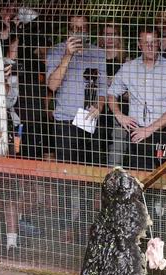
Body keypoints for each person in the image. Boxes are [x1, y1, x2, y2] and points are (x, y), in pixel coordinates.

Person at [107, 26, 166, 171]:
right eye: (146, 43)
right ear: (139, 45)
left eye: (153, 42)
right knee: (138, 181)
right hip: (137, 134)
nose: (150, 47)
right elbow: (112, 93)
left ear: (159, 43)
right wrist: (119, 115)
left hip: (163, 133)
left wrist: (149, 130)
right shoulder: (129, 68)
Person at [46, 14, 107, 165]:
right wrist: (68, 55)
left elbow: (103, 87)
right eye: (75, 29)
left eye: (83, 28)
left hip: (90, 119)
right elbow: (52, 86)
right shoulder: (56, 51)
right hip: (65, 120)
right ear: (68, 31)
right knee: (67, 171)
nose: (80, 32)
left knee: (92, 170)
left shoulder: (98, 53)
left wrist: (99, 106)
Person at [99, 23, 129, 167]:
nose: (109, 38)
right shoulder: (95, 58)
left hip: (119, 115)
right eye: (106, 33)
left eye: (113, 34)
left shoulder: (127, 62)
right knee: (96, 155)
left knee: (115, 160)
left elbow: (133, 94)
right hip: (97, 112)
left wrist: (114, 86)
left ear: (119, 37)